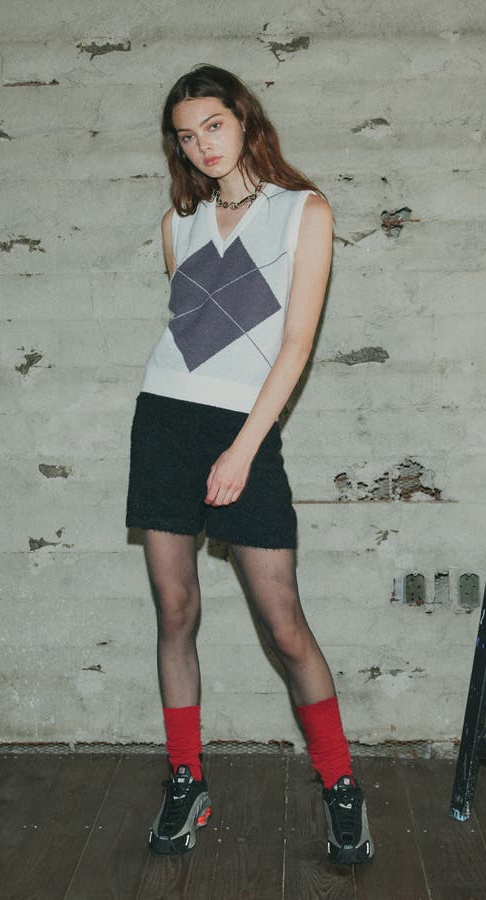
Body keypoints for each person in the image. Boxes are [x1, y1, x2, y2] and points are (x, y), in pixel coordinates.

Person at [125, 64, 374, 864]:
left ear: (244, 120)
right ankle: (185, 780)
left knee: (284, 624)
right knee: (174, 611)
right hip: (165, 421)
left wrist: (242, 449)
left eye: (214, 126)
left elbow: (293, 346)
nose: (202, 145)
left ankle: (339, 784)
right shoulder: (180, 223)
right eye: (186, 135)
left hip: (244, 431)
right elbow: (193, 338)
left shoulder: (303, 211)